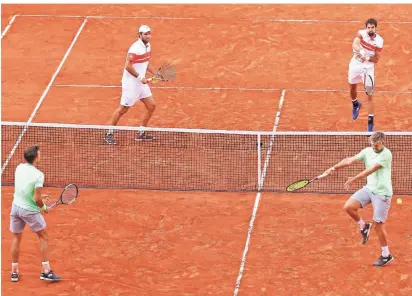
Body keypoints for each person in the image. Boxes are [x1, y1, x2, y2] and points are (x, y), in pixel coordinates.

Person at [323, 132, 395, 267]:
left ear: (382, 142)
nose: (374, 147)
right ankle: (363, 226)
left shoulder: (386, 154)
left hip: (382, 194)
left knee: (379, 225)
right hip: (369, 189)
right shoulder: (368, 151)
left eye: (376, 144)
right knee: (349, 207)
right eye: (372, 144)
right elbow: (349, 160)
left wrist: (354, 179)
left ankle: (386, 255)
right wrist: (334, 167)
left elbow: (371, 170)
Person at [9, 145, 61, 282]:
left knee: (16, 238)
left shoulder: (19, 167)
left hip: (16, 208)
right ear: (36, 158)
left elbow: (24, 190)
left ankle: (14, 272)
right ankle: (46, 271)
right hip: (29, 211)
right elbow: (37, 199)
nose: (41, 155)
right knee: (43, 236)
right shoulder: (39, 175)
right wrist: (44, 207)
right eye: (40, 154)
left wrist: (39, 198)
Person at [104, 24, 158, 145]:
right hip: (131, 85)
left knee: (151, 106)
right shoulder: (134, 49)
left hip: (141, 84)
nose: (148, 36)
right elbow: (127, 66)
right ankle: (109, 133)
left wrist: (156, 73)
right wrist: (140, 78)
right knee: (123, 109)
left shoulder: (148, 46)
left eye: (149, 33)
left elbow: (146, 62)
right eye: (145, 34)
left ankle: (141, 133)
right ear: (140, 35)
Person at [348, 18, 384, 132]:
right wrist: (361, 52)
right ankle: (355, 104)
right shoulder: (361, 33)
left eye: (372, 27)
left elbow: (377, 59)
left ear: (375, 28)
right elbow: (355, 43)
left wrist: (367, 57)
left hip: (368, 69)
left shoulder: (379, 41)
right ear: (366, 27)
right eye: (368, 27)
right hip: (355, 65)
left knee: (369, 94)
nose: (370, 29)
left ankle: (370, 121)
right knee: (352, 87)